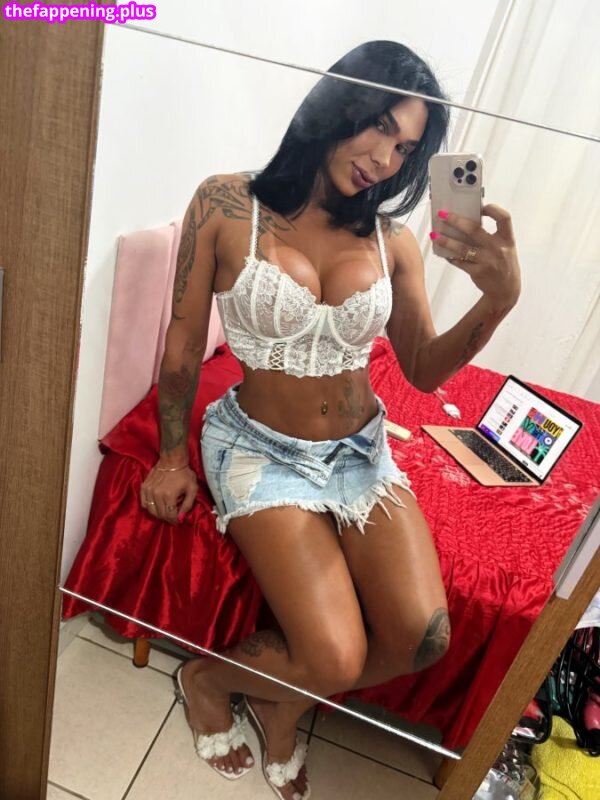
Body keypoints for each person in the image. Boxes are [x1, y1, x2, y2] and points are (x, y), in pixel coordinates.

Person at [140, 40, 521, 800]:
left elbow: (421, 368)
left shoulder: (393, 240)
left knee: (423, 638)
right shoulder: (225, 203)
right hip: (258, 448)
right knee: (338, 655)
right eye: (380, 126)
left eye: (405, 148)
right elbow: (182, 345)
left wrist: (499, 298)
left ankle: (281, 704)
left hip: (361, 453)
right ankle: (209, 680)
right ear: (340, 103)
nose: (385, 158)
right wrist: (171, 456)